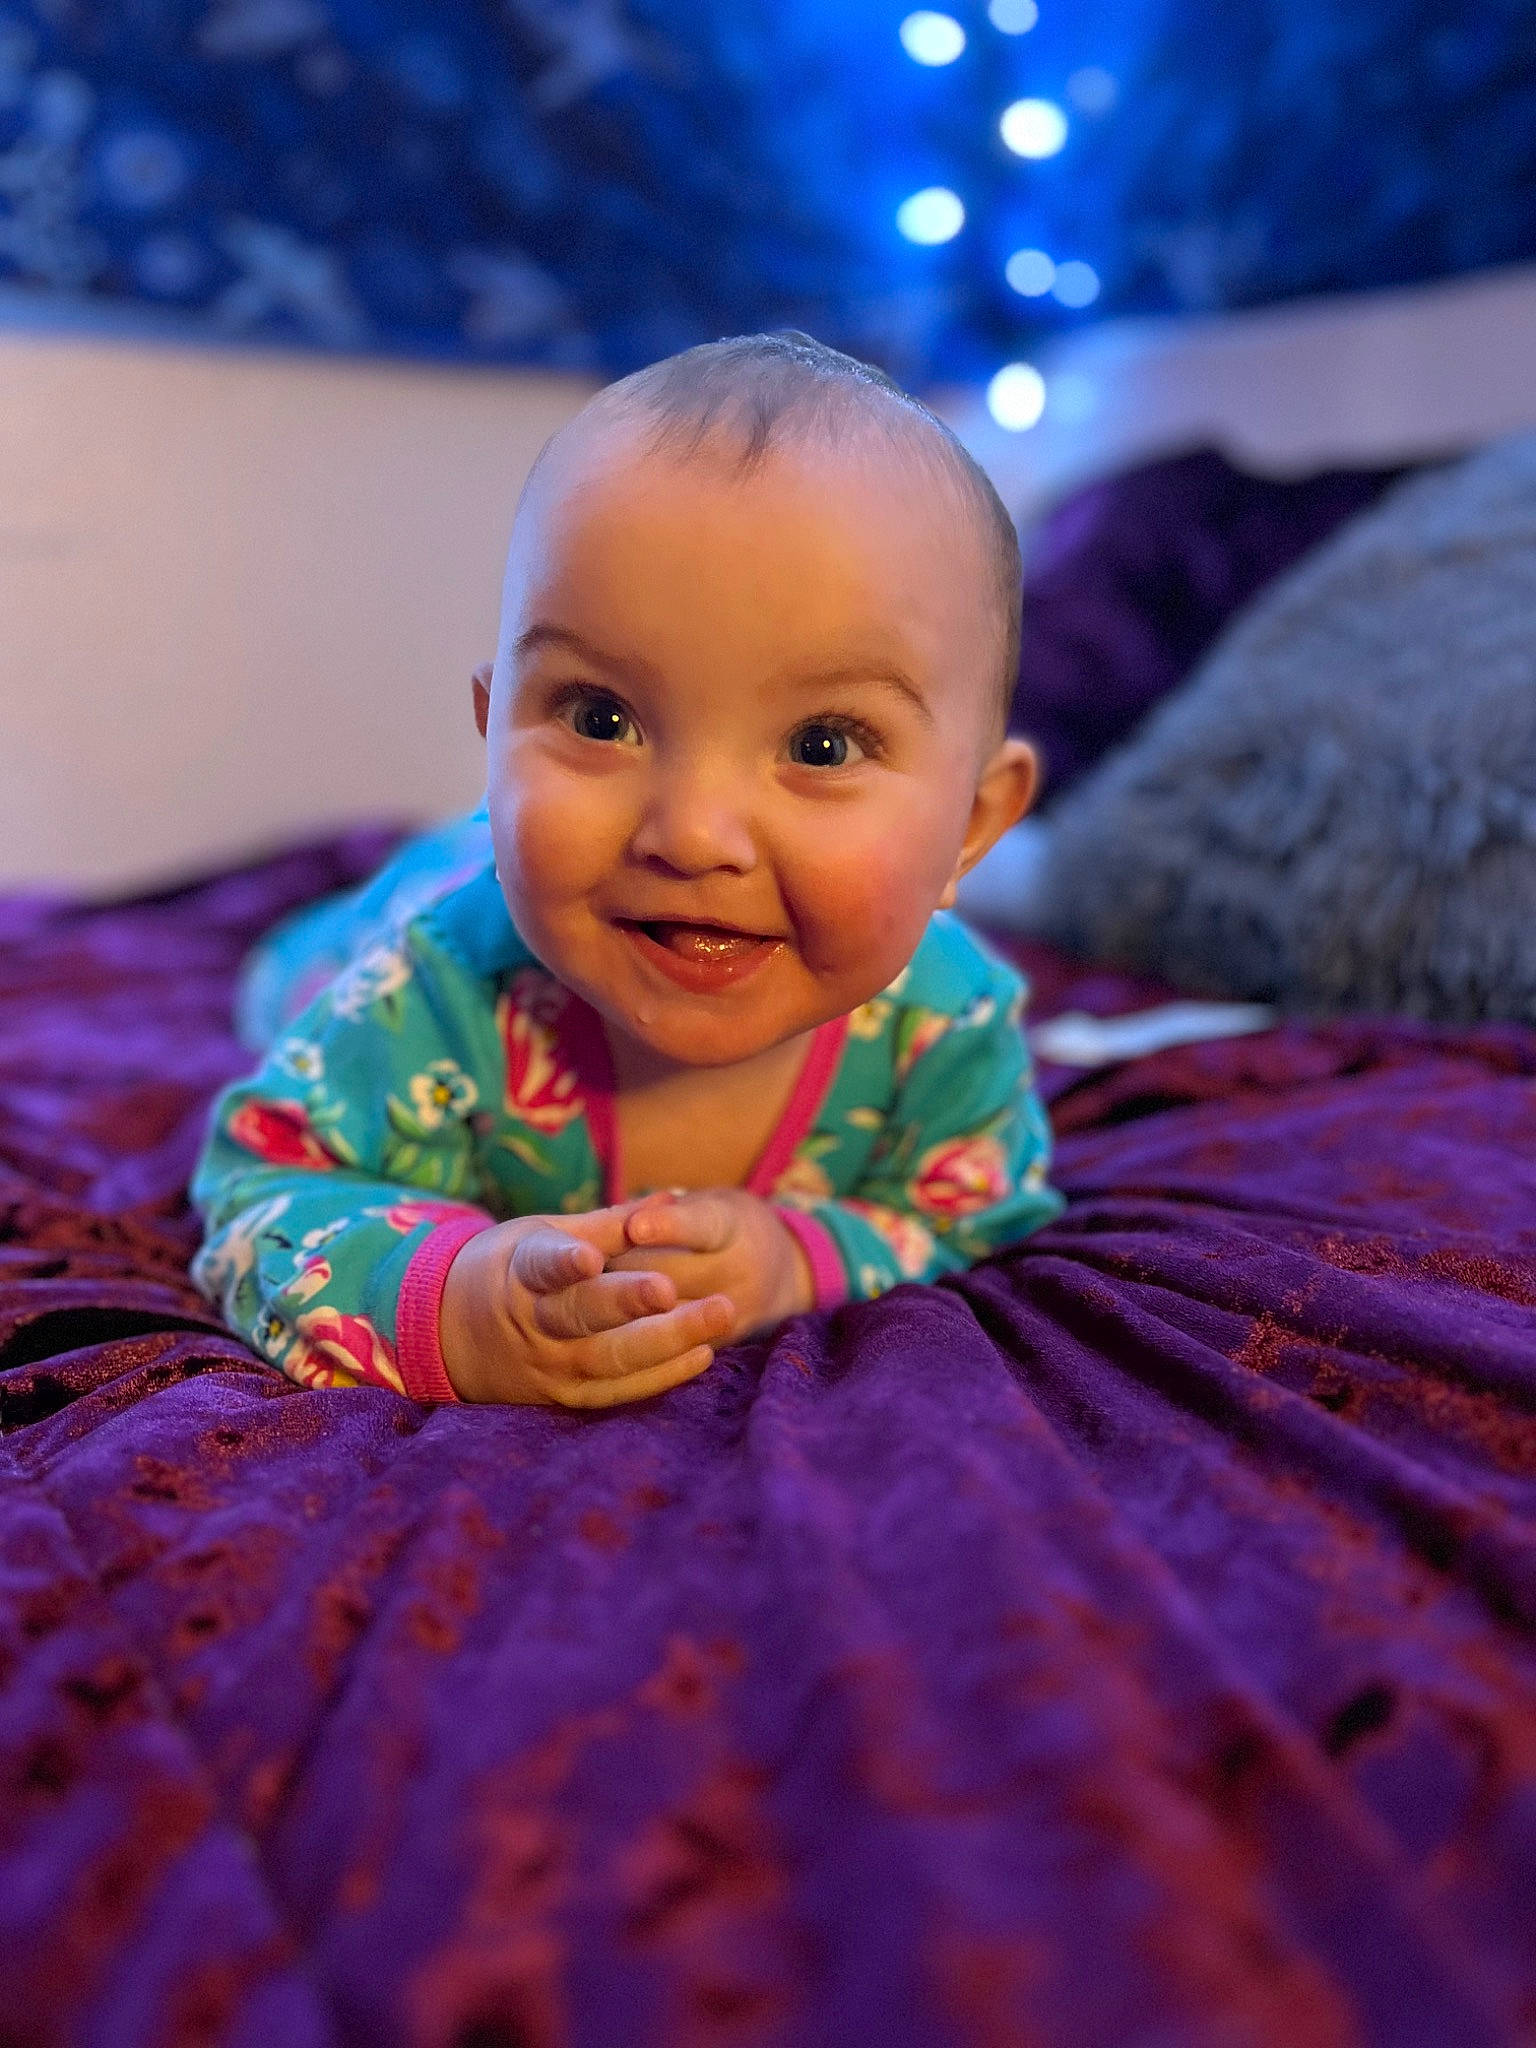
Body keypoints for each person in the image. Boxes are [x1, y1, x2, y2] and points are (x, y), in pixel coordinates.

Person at [189, 331, 1064, 1408]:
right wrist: (451, 1299)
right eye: (600, 718)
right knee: (302, 980)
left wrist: (801, 1253)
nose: (693, 835)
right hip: (419, 908)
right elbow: (259, 1184)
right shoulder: (433, 986)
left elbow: (965, 1212)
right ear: (495, 730)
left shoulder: (948, 1026)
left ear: (972, 828)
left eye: (823, 745)